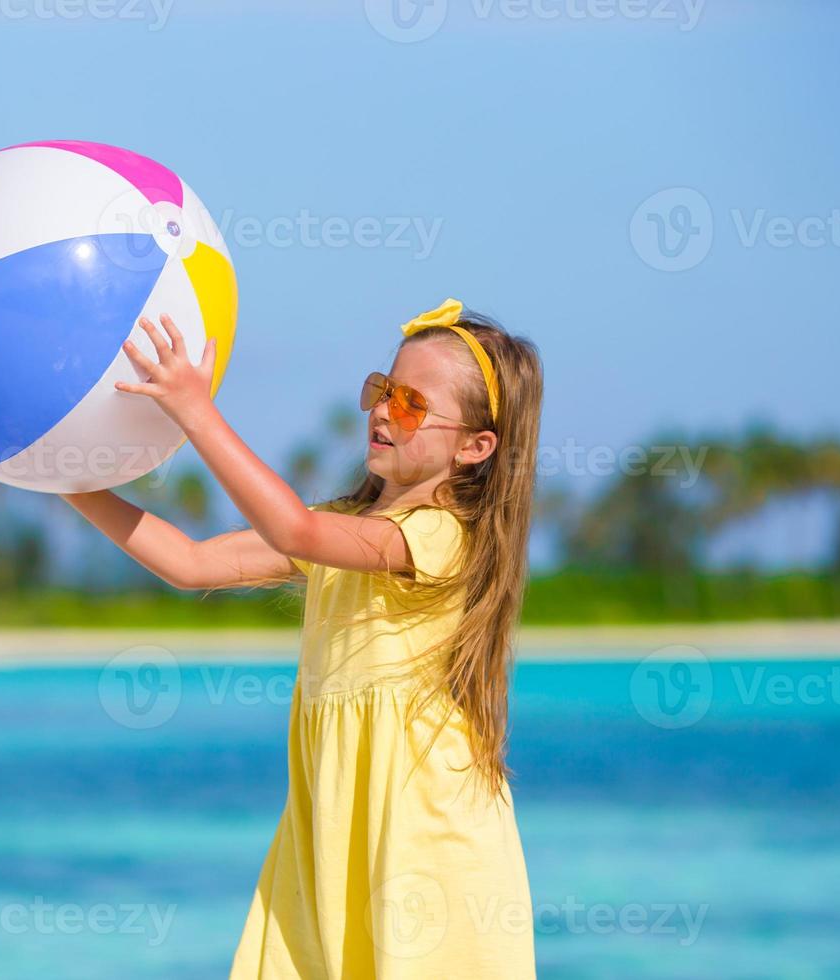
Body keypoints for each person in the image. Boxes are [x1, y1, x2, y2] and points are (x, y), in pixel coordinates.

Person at [62, 298, 541, 978]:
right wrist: (63, 478)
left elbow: (296, 532)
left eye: (411, 404)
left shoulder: (442, 537)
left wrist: (194, 410)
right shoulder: (340, 528)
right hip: (331, 830)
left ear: (475, 447)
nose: (382, 411)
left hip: (418, 837)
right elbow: (189, 562)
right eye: (383, 390)